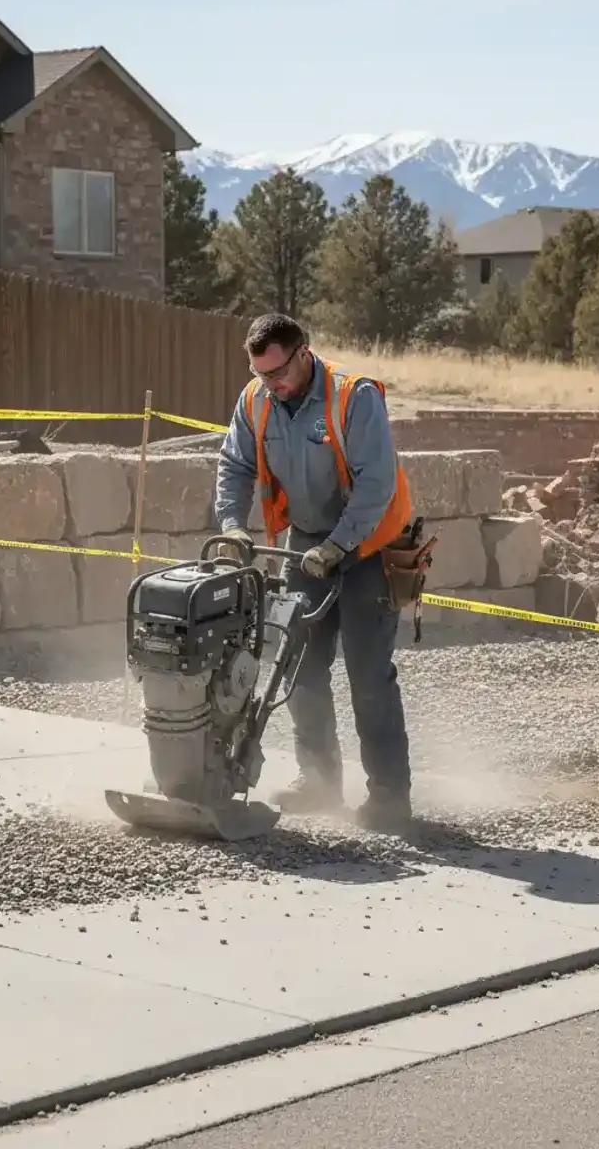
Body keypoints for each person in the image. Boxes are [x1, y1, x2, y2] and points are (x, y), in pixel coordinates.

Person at [213, 313, 416, 833]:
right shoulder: (255, 401)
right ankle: (320, 780)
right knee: (298, 666)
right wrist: (234, 527)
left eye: (278, 373)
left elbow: (377, 486)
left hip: (369, 546)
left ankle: (390, 795)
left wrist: (338, 547)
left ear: (304, 353)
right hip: (306, 546)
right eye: (261, 375)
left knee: (369, 676)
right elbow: (234, 464)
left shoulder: (354, 397)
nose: (271, 385)